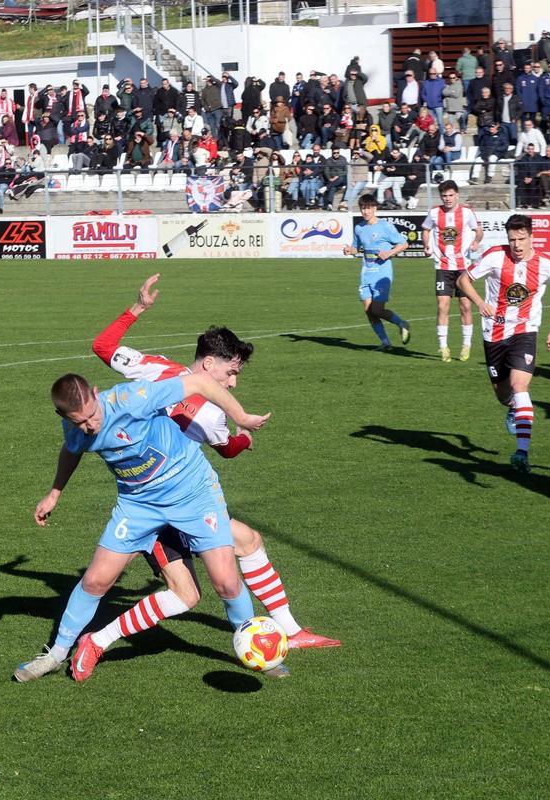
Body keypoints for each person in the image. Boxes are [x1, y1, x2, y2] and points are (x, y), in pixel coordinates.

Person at [72, 276, 340, 673]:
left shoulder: (172, 380)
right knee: (186, 593)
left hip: (188, 498)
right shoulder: (165, 377)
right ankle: (96, 641)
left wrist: (137, 310)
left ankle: (287, 631)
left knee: (245, 545)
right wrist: (245, 438)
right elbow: (229, 450)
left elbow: (104, 347)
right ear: (209, 363)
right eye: (231, 373)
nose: (233, 382)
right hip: (150, 503)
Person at [13, 369, 272, 683]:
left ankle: (256, 651)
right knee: (96, 581)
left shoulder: (131, 400)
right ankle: (55, 654)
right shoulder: (74, 427)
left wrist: (241, 416)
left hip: (193, 492)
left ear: (96, 394)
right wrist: (55, 493)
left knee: (227, 584)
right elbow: (71, 449)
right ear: (63, 415)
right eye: (80, 421)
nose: (90, 425)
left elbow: (200, 382)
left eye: (92, 416)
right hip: (138, 505)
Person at [455, 214, 550, 473]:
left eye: (522, 239)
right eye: (512, 240)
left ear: (532, 236)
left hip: (525, 332)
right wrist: (479, 302)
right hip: (494, 335)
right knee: (503, 395)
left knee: (520, 386)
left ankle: (522, 452)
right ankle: (512, 408)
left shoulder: (545, 263)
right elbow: (462, 280)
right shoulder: (495, 256)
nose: (517, 245)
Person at [421, 180, 481, 362]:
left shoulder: (467, 213)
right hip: (443, 266)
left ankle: (466, 344)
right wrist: (426, 245)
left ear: (457, 195)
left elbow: (478, 230)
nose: (447, 199)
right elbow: (425, 230)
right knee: (442, 306)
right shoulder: (433, 213)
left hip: (463, 267)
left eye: (450, 195)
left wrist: (476, 240)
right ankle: (443, 346)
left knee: (465, 306)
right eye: (444, 196)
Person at [342, 194, 412, 351]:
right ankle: (386, 343)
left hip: (382, 273)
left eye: (368, 208)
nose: (365, 212)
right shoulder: (359, 228)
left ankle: (401, 323)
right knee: (369, 311)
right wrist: (349, 250)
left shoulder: (385, 227)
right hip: (366, 273)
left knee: (377, 309)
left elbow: (404, 244)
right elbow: (356, 247)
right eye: (362, 208)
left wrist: (389, 253)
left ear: (374, 208)